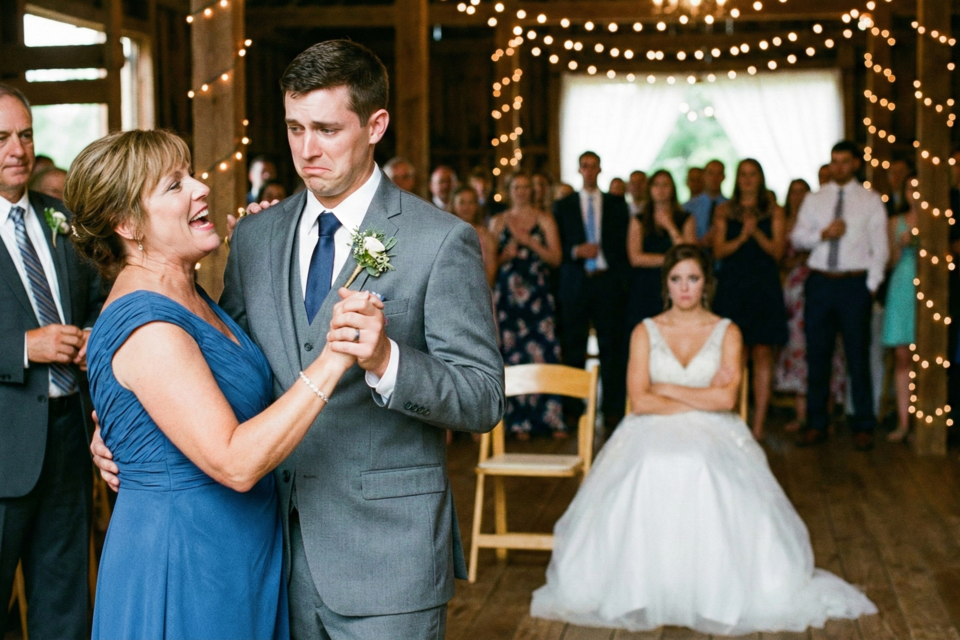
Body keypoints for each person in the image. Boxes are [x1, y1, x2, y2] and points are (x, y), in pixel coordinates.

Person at [91, 40, 504, 639]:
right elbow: (220, 362)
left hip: (386, 562)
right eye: (294, 128)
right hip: (265, 554)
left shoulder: (439, 241)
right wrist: (125, 428)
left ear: (375, 125)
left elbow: (483, 397)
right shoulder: (255, 238)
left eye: (328, 130)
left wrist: (388, 360)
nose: (308, 150)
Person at [67, 129, 374, 640]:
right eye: (174, 185)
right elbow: (234, 462)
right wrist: (333, 358)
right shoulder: (149, 327)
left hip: (236, 549)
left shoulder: (193, 298)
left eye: (190, 173)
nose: (200, 187)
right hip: (185, 559)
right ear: (127, 224)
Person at [529, 244, 878, 635]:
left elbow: (725, 399)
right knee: (650, 465)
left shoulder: (728, 330)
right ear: (666, 284)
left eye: (693, 279)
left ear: (706, 283)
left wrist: (667, 388)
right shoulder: (644, 330)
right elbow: (640, 401)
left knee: (702, 465)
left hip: (716, 429)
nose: (684, 288)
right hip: (650, 428)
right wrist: (695, 395)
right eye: (676, 279)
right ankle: (643, 586)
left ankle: (714, 588)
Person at [0, 84, 104, 640]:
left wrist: (92, 334)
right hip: (2, 445)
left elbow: (96, 299)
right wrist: (23, 348)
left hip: (68, 436)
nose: (17, 149)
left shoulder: (61, 216)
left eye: (24, 135)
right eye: (1, 138)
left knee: (64, 603)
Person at [791, 140, 888, 450]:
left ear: (856, 164)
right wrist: (823, 234)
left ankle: (863, 424)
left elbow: (881, 248)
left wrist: (870, 286)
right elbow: (797, 237)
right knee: (817, 355)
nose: (838, 167)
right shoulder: (815, 199)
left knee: (858, 356)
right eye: (834, 161)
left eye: (845, 161)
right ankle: (817, 423)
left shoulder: (870, 201)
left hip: (853, 284)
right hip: (820, 281)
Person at [713, 159, 788, 441]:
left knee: (762, 354)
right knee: (736, 354)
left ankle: (757, 427)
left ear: (760, 177)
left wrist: (755, 230)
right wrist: (743, 236)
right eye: (742, 174)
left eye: (752, 174)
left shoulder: (774, 211)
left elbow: (778, 252)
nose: (747, 179)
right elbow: (719, 251)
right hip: (734, 286)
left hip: (764, 287)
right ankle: (735, 419)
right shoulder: (724, 211)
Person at [554, 151, 629, 430]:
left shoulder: (616, 204)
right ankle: (573, 408)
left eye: (593, 166)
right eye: (584, 166)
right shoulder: (563, 205)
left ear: (599, 169)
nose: (589, 171)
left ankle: (612, 408)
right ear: (579, 170)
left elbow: (623, 246)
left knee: (612, 346)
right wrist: (576, 250)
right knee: (573, 345)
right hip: (576, 282)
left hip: (606, 282)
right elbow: (556, 247)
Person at [490, 173, 563, 439]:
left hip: (538, 297)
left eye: (525, 186)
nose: (521, 191)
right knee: (512, 356)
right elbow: (487, 264)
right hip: (509, 299)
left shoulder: (544, 219)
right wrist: (504, 255)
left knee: (544, 352)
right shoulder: (498, 221)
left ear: (532, 190)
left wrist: (530, 242)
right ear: (509, 190)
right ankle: (518, 422)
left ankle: (551, 419)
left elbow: (556, 258)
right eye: (516, 186)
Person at [775, 179, 848, 432]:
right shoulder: (784, 222)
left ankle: (825, 413)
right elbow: (779, 259)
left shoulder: (820, 219)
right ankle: (802, 413)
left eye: (801, 191)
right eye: (792, 191)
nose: (797, 196)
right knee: (798, 349)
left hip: (822, 284)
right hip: (794, 291)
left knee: (826, 348)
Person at [625, 169, 696, 334]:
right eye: (656, 185)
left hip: (677, 285)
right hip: (646, 286)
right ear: (650, 189)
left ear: (673, 189)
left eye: (665, 185)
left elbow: (690, 255)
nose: (661, 189)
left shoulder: (685, 218)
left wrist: (670, 226)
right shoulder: (639, 219)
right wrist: (670, 260)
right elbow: (635, 258)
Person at [881, 188, 918, 442]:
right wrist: (899, 244)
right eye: (909, 188)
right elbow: (888, 261)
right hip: (903, 284)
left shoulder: (938, 220)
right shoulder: (896, 221)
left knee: (927, 357)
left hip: (930, 286)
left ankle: (924, 423)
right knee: (903, 354)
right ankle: (904, 422)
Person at [451, 186, 497, 286]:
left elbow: (491, 274)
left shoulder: (486, 236)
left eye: (471, 202)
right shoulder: (445, 234)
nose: (466, 207)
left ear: (476, 206)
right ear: (454, 205)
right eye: (462, 202)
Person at [684, 159, 726, 244]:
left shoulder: (730, 206)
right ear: (703, 176)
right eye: (711, 173)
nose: (715, 178)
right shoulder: (687, 207)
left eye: (719, 173)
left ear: (723, 177)